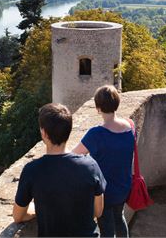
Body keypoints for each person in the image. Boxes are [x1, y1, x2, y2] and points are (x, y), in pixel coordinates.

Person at [13, 103, 107, 237]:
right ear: (69, 131)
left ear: (44, 133)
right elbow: (98, 211)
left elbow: (18, 217)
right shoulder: (90, 166)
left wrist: (37, 211)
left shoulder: (32, 171)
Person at [72, 85, 134, 237]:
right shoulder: (129, 127)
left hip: (104, 192)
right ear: (117, 104)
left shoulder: (96, 134)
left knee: (106, 228)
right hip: (124, 186)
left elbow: (74, 155)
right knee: (119, 218)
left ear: (97, 107)